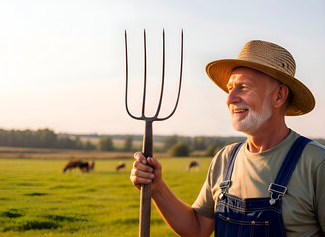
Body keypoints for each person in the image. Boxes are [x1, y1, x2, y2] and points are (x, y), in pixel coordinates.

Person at [130, 40, 325, 237]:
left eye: (243, 87)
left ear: (279, 95)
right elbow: (198, 229)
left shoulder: (316, 163)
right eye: (230, 88)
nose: (230, 99)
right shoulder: (225, 159)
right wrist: (157, 188)